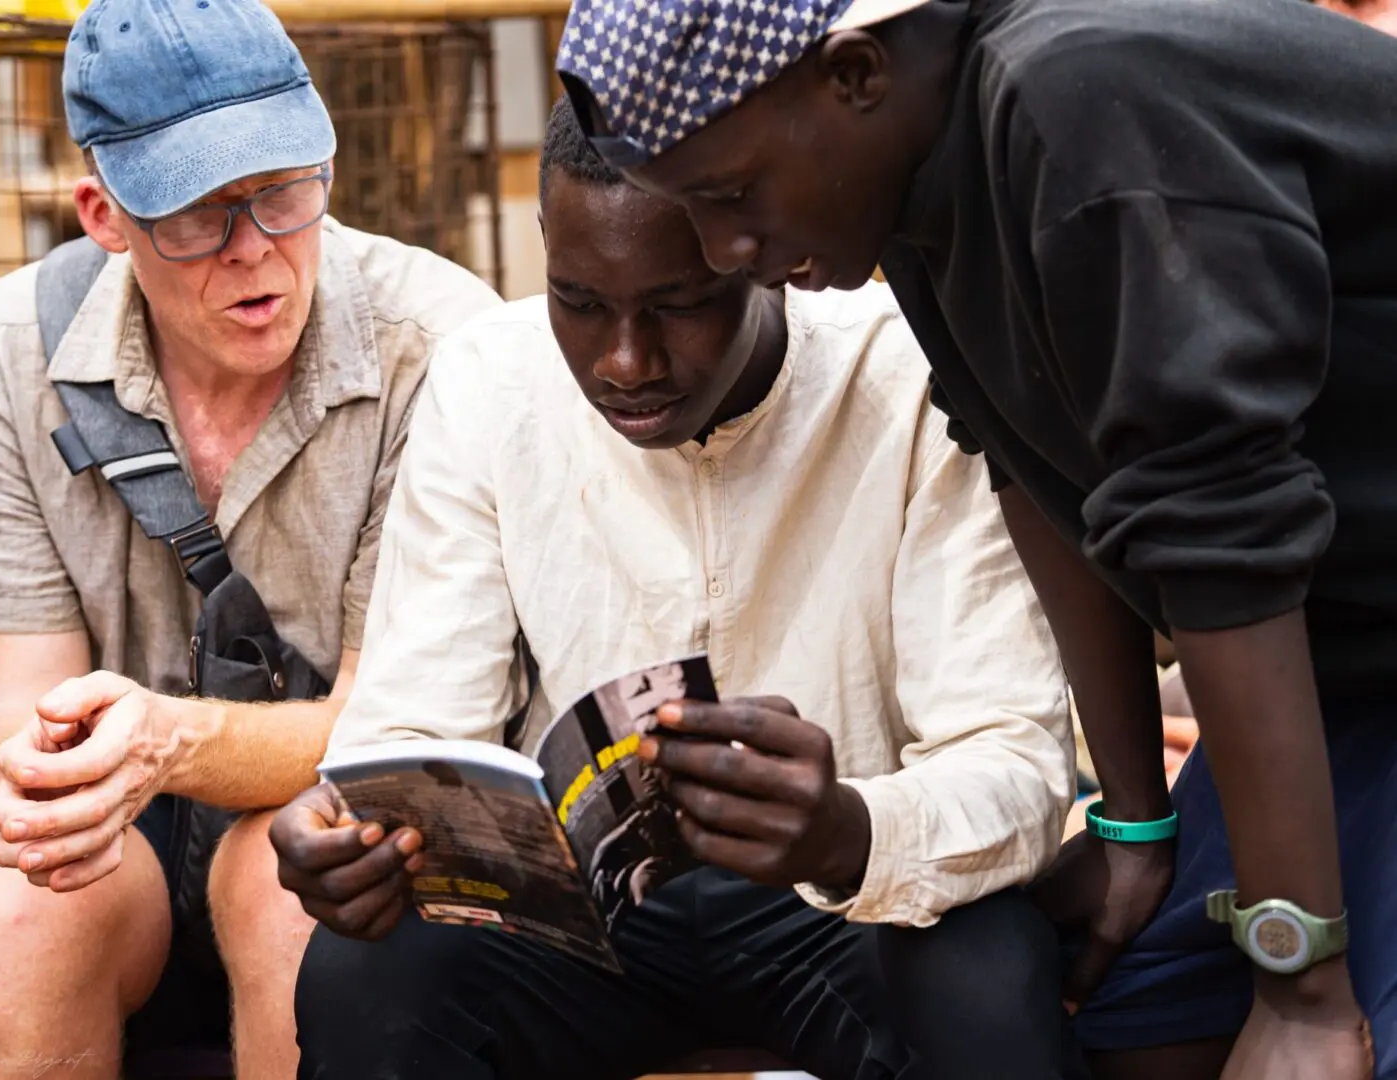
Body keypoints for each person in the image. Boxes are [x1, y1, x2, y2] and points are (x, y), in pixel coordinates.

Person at [552, 0, 1397, 1077]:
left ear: (854, 75)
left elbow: (1218, 530)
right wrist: (1135, 828)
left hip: (1324, 628)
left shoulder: (1078, 103)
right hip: (1336, 654)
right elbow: (1036, 471)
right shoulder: (906, 179)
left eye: (729, 196)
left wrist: (1303, 985)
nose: (731, 253)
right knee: (1138, 1014)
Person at [272, 94, 1084, 1080]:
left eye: (680, 303)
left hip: (849, 896)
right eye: (578, 300)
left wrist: (844, 834)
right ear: (542, 250)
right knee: (364, 975)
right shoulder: (489, 380)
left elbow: (1011, 766)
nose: (624, 361)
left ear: (764, 253)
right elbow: (414, 725)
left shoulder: (909, 376)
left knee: (984, 981)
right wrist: (352, 837)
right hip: (589, 917)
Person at [0, 0, 500, 1076]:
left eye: (283, 193)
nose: (256, 256)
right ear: (102, 215)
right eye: (197, 216)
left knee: (305, 898)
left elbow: (386, 733)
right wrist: (67, 767)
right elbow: (15, 702)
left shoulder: (442, 346)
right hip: (113, 825)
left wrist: (166, 743)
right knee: (20, 902)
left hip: (348, 811)